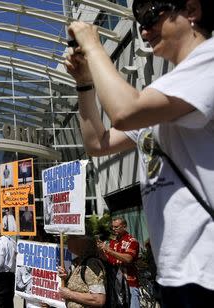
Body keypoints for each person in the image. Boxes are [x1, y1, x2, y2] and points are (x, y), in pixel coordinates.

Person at [64, 0, 214, 306]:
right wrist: (85, 85)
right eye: (139, 23)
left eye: (150, 17)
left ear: (192, 10)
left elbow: (125, 111)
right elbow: (98, 143)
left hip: (206, 269)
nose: (144, 30)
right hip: (176, 272)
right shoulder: (168, 90)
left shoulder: (209, 62)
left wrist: (94, 45)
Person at [98, 217, 140, 308]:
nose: (114, 229)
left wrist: (110, 251)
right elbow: (106, 259)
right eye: (112, 227)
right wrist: (100, 250)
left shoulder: (132, 241)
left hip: (129, 282)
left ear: (124, 226)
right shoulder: (113, 241)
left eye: (116, 227)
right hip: (115, 281)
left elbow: (128, 258)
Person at [58, 234, 106, 308]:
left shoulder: (91, 264)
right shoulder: (77, 262)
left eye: (70, 238)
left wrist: (69, 294)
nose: (67, 241)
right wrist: (66, 277)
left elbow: (98, 299)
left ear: (82, 243)